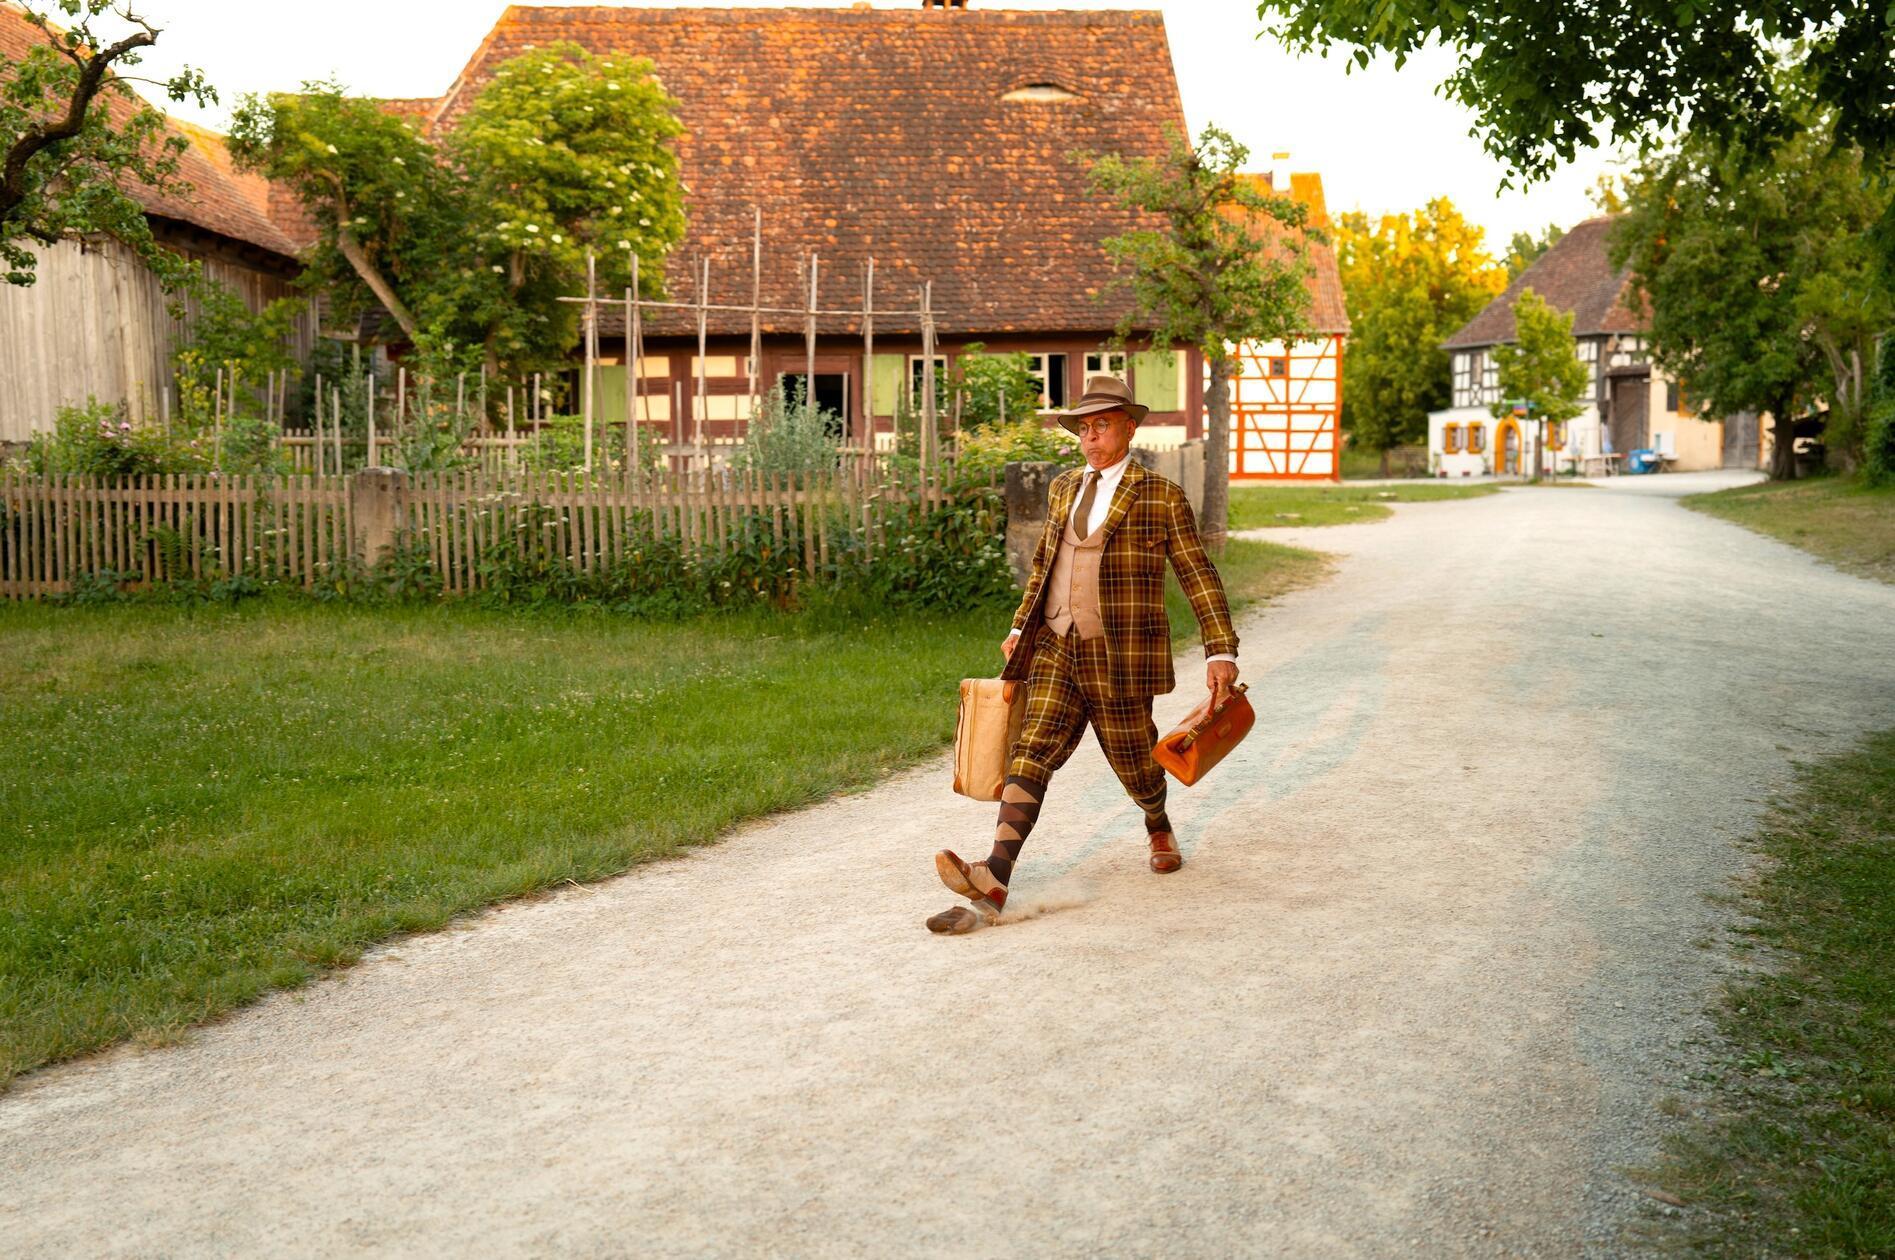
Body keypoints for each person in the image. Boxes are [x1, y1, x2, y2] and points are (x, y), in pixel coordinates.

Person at [928, 373, 1239, 934]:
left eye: (1102, 426)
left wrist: (1220, 650)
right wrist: (1021, 626)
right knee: (1032, 748)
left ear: (1129, 428)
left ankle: (1157, 822)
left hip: (1119, 654)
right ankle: (995, 874)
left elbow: (1197, 573)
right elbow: (1044, 564)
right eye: (1084, 428)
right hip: (1055, 644)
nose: (1091, 438)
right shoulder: (1064, 488)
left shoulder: (1161, 495)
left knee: (1136, 763)